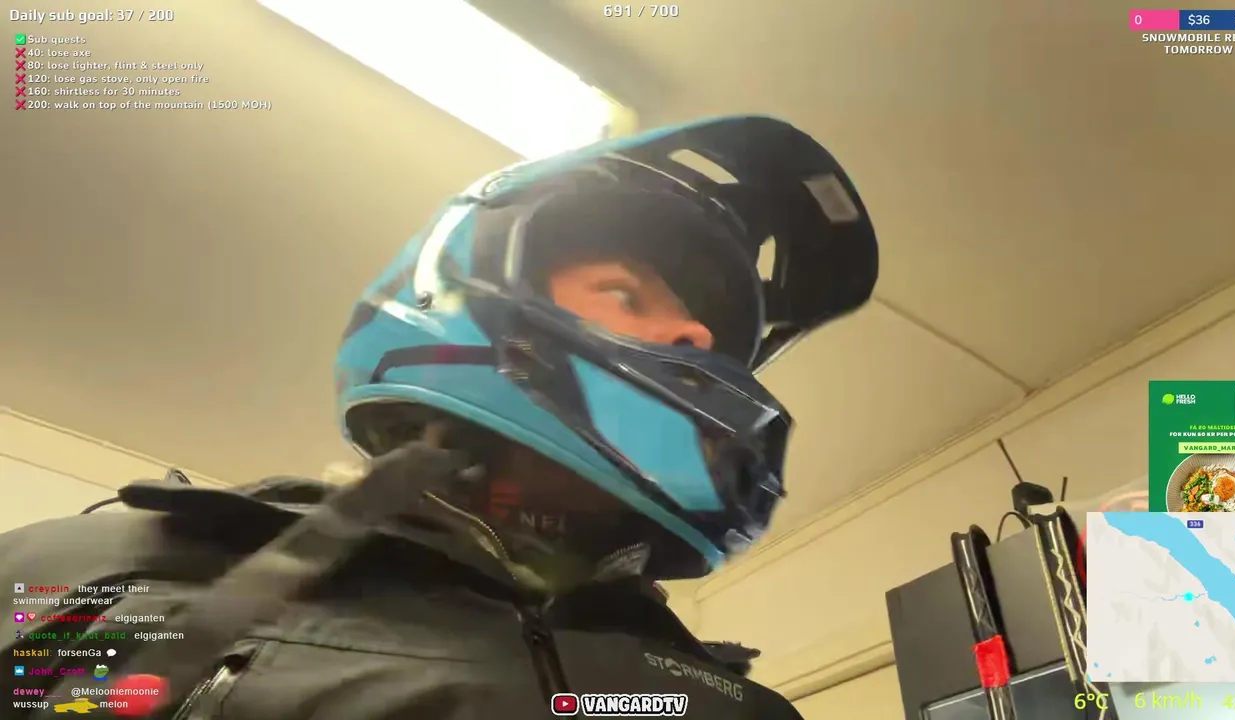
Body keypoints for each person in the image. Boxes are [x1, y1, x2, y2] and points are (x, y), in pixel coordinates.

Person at [0, 115, 878, 719]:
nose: (697, 338)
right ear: (461, 293)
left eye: (716, 342)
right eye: (624, 292)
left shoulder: (735, 706)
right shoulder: (96, 573)